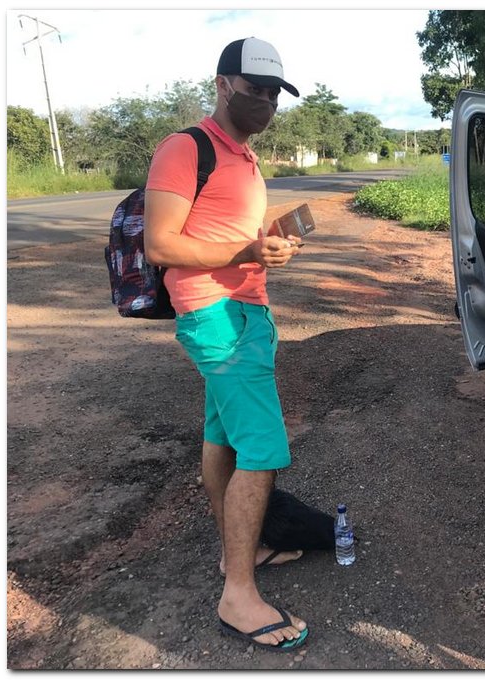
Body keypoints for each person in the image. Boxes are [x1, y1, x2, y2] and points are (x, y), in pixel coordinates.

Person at [144, 37, 308, 652]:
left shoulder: (245, 156)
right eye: (254, 89)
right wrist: (245, 251)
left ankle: (237, 552)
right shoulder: (186, 147)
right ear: (222, 84)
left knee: (223, 436)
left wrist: (269, 243)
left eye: (273, 94)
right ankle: (238, 595)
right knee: (262, 450)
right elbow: (160, 244)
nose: (264, 102)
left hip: (244, 310)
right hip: (218, 315)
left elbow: (235, 234)